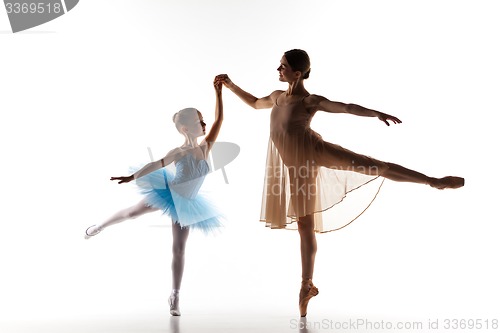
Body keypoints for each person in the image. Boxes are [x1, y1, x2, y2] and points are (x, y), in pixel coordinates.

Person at [215, 49, 464, 317]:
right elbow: (253, 102)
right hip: (296, 168)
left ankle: (432, 181)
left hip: (315, 151)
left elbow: (344, 107)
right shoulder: (276, 98)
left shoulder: (309, 100)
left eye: (283, 66)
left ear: (297, 74)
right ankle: (306, 285)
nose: (278, 69)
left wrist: (375, 113)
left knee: (377, 166)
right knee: (304, 226)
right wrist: (229, 85)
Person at [84, 78, 225, 316]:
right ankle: (99, 226)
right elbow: (156, 163)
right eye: (199, 121)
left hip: (187, 204)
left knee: (179, 248)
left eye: (203, 120)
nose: (204, 123)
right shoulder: (179, 152)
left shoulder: (206, 147)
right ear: (186, 129)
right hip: (169, 193)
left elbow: (220, 119)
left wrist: (218, 93)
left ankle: (174, 295)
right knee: (132, 213)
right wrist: (132, 176)